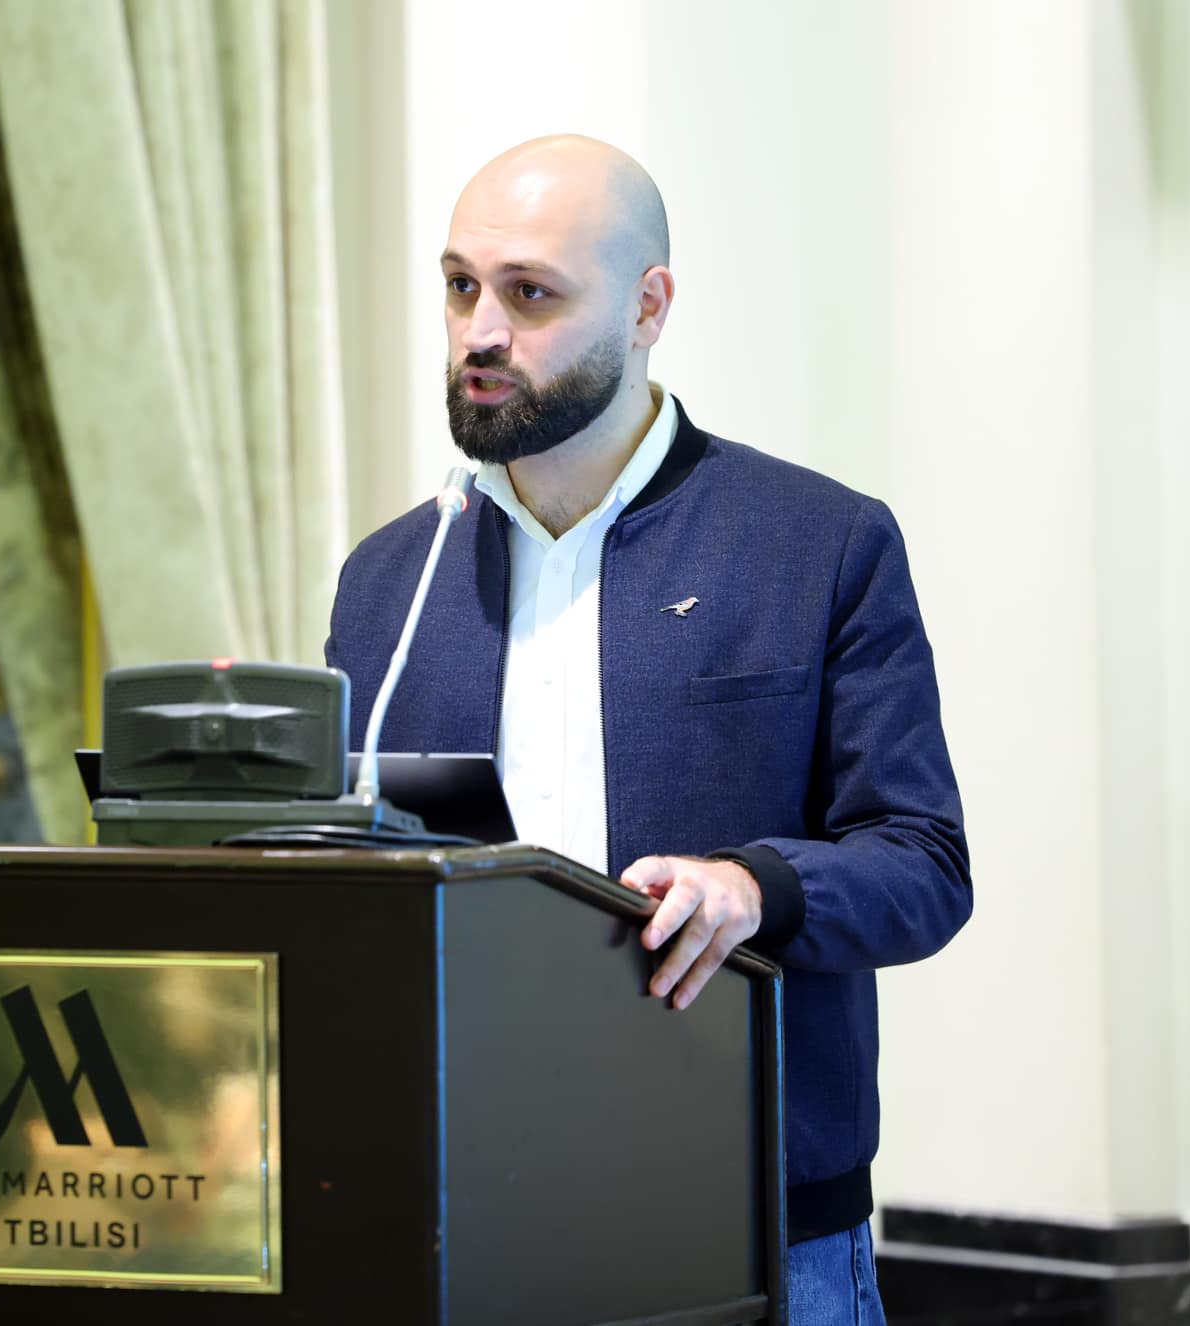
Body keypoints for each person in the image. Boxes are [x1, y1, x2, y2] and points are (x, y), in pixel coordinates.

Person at [324, 135, 971, 1325]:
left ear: (646, 308)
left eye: (529, 294)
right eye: (460, 286)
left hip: (755, 1223)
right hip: (461, 1219)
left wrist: (752, 887)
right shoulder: (389, 584)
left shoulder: (815, 545)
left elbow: (920, 864)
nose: (477, 332)